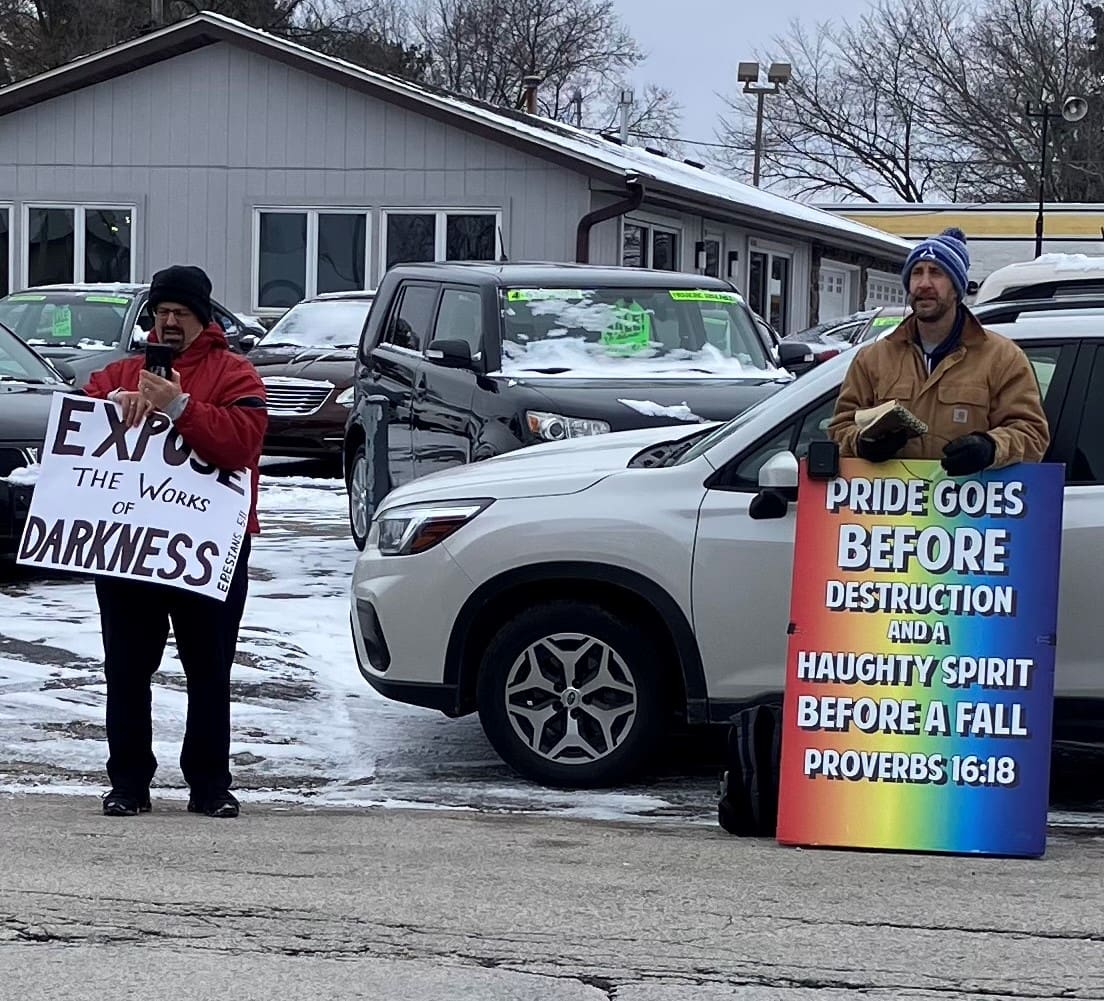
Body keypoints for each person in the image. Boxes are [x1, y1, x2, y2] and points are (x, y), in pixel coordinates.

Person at [83, 265, 267, 818]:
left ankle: (210, 786)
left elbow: (242, 446)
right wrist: (113, 403)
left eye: (179, 315)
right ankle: (129, 784)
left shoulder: (235, 374)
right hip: (131, 544)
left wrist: (181, 407)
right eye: (160, 314)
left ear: (201, 320)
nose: (167, 324)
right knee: (126, 667)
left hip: (209, 546)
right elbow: (79, 426)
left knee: (208, 668)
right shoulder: (118, 372)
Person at [828, 228, 1050, 473]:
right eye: (916, 273)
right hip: (890, 507)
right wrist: (863, 444)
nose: (924, 284)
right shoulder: (873, 358)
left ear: (956, 288)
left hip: (969, 505)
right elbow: (840, 428)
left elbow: (1032, 435)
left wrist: (989, 448)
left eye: (936, 273)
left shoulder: (1003, 358)